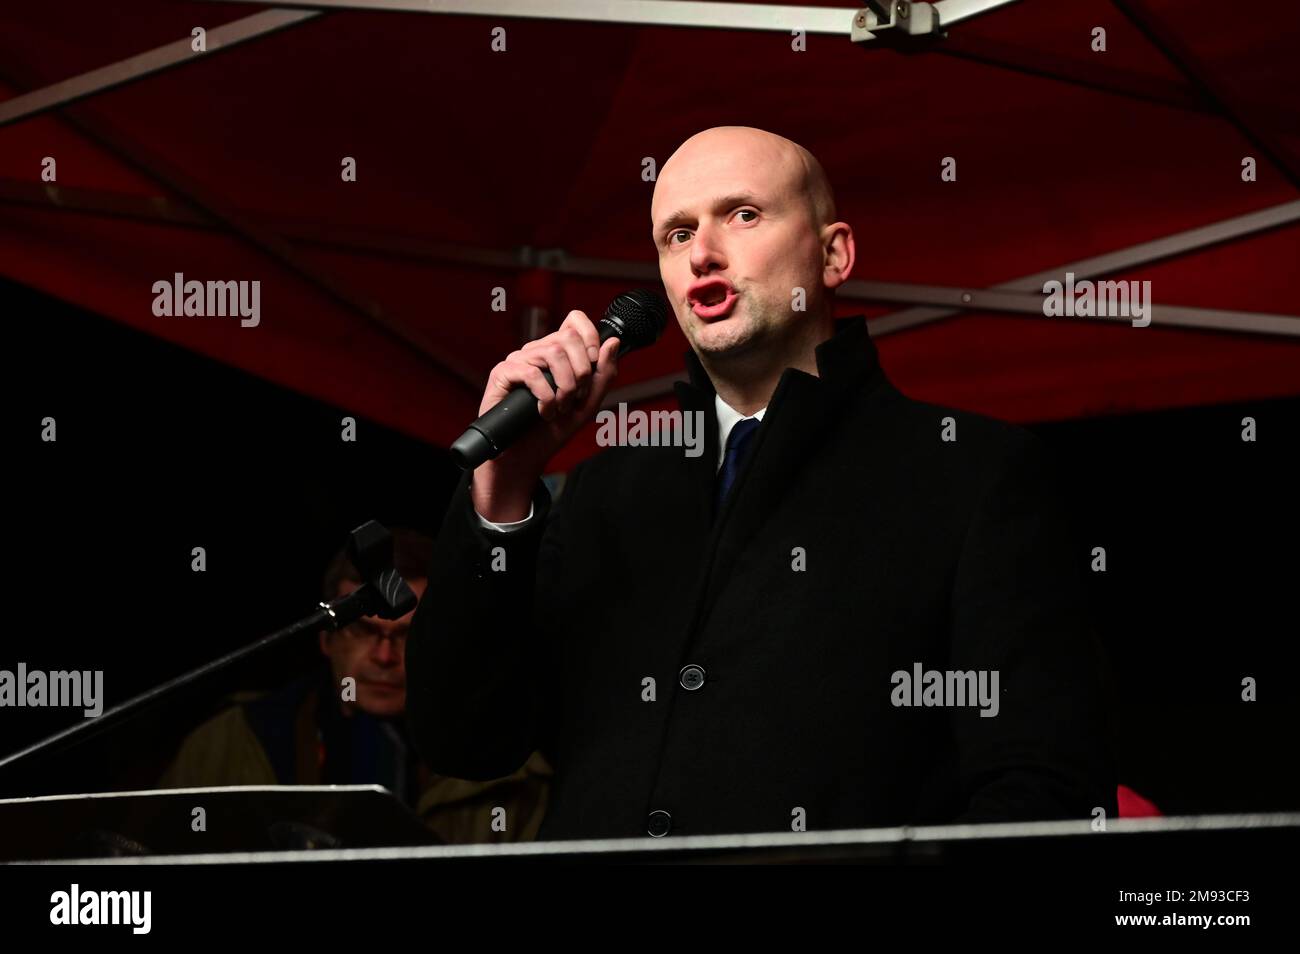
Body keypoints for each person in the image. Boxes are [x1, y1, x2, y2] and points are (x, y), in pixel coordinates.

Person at [406, 126, 1116, 840]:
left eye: (742, 214)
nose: (703, 254)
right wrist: (502, 493)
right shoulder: (600, 490)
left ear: (834, 254)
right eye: (676, 235)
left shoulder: (971, 473)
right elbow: (467, 741)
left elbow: (1045, 796)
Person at [159, 527, 553, 843]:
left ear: (443, 647)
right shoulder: (227, 743)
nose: (384, 656)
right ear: (326, 638)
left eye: (408, 637)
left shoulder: (508, 772)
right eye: (363, 631)